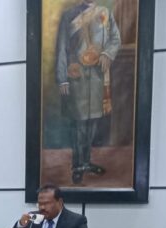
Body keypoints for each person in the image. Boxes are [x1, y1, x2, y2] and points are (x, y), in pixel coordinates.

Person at [56, 0, 121, 185]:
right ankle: (77, 166)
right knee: (79, 124)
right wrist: (62, 78)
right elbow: (61, 47)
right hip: (77, 76)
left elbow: (115, 39)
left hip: (98, 77)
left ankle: (86, 162)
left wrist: (107, 53)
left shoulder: (105, 13)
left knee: (93, 121)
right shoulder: (69, 15)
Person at [7, 184, 93, 228]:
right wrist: (20, 225)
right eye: (40, 204)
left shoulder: (75, 220)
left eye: (46, 203)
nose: (42, 207)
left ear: (60, 202)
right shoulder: (33, 217)